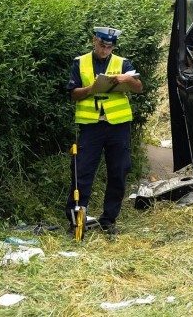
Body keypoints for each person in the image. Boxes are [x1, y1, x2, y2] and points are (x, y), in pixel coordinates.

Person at [65, 26, 143, 236]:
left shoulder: (123, 63)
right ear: (94, 41)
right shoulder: (80, 62)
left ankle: (108, 220)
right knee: (82, 173)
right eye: (102, 45)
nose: (105, 50)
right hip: (91, 126)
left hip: (118, 125)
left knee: (119, 171)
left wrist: (128, 79)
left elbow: (139, 88)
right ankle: (76, 222)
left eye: (109, 46)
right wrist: (91, 89)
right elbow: (72, 94)